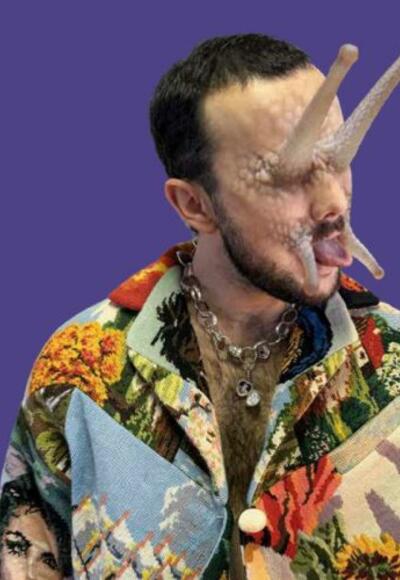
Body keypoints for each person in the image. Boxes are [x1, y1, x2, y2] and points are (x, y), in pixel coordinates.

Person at [1, 32, 400, 579]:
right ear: (194, 204)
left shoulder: (393, 363)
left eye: (339, 159)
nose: (332, 203)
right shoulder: (79, 369)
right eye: (284, 178)